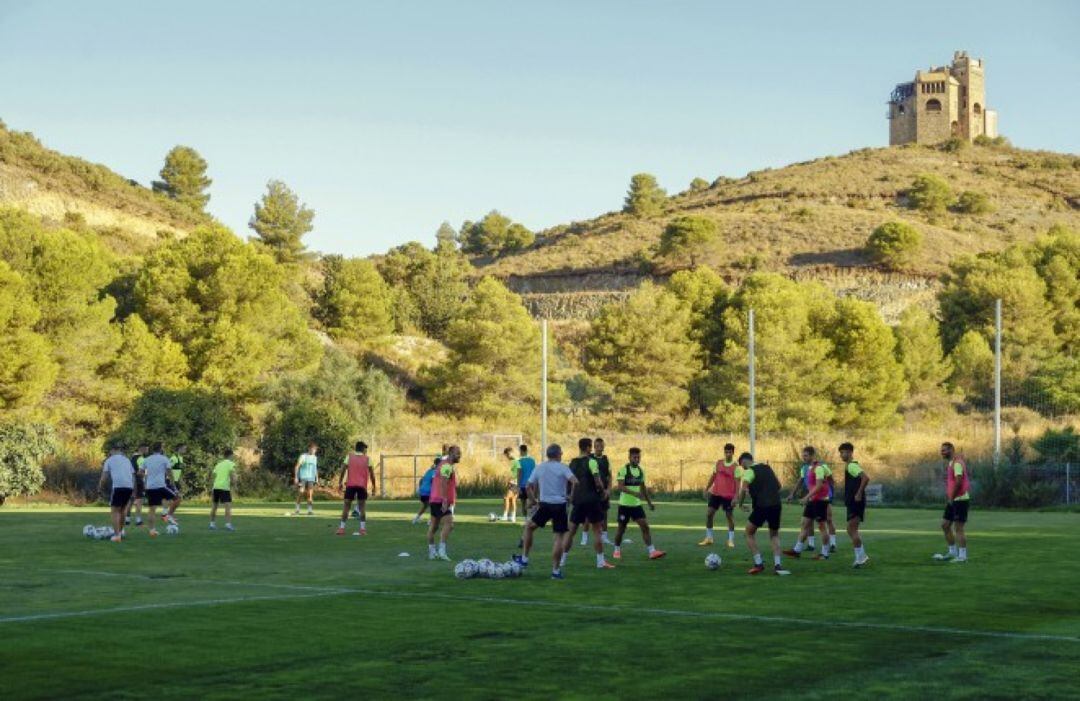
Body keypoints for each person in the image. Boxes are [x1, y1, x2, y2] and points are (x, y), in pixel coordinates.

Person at [515, 444, 578, 579]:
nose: (562, 455)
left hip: (544, 505)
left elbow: (528, 486)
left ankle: (525, 559)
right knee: (558, 538)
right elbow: (575, 482)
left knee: (529, 527)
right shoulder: (563, 467)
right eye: (561, 453)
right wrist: (571, 496)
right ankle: (555, 572)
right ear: (557, 454)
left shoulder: (540, 467)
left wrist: (533, 500)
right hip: (560, 506)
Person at [734, 453, 791, 576]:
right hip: (776, 505)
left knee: (748, 533)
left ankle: (759, 563)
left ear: (743, 461)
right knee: (774, 534)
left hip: (762, 506)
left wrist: (740, 504)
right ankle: (777, 565)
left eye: (742, 466)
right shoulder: (767, 467)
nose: (743, 468)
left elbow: (743, 489)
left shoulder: (749, 471)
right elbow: (779, 486)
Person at [563, 438, 615, 569]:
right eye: (590, 446)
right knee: (597, 530)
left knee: (571, 531)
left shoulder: (572, 463)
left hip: (578, 500)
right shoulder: (592, 462)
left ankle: (562, 559)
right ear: (587, 448)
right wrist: (604, 492)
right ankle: (600, 562)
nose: (591, 449)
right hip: (592, 499)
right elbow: (598, 481)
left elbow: (569, 481)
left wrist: (570, 496)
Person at [612, 448, 666, 561]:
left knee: (645, 526)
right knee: (621, 529)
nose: (637, 459)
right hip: (624, 505)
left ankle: (652, 551)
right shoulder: (624, 470)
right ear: (629, 457)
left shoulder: (641, 471)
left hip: (636, 506)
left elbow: (643, 489)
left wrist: (650, 503)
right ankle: (616, 550)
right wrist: (634, 493)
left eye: (638, 457)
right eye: (634, 457)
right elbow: (620, 487)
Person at [784, 447, 832, 560]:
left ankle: (825, 554)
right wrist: (792, 494)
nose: (803, 457)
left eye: (805, 455)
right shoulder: (808, 468)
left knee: (822, 527)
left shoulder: (819, 468)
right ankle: (797, 550)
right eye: (803, 455)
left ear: (812, 455)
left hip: (820, 501)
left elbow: (819, 485)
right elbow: (801, 481)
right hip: (812, 500)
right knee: (805, 524)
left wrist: (806, 497)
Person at [934, 442, 971, 563]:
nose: (942, 452)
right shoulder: (951, 463)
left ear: (952, 450)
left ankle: (962, 556)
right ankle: (952, 552)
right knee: (945, 525)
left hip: (960, 499)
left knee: (958, 528)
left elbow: (959, 481)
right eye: (942, 450)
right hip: (954, 499)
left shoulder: (957, 463)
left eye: (944, 450)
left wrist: (952, 496)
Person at [427, 445, 462, 561]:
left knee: (434, 527)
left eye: (460, 453)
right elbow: (443, 482)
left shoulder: (442, 464)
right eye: (457, 453)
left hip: (434, 499)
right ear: (451, 453)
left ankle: (432, 552)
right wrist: (445, 500)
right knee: (449, 524)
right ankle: (442, 551)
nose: (459, 455)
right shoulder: (447, 466)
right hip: (440, 500)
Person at [700, 443, 738, 548]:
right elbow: (713, 476)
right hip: (716, 493)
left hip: (728, 495)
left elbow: (737, 483)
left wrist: (736, 496)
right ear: (724, 452)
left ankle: (730, 540)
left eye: (730, 452)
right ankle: (709, 538)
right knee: (709, 514)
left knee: (729, 516)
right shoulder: (718, 463)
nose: (728, 454)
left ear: (733, 453)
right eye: (726, 452)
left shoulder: (735, 467)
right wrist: (707, 488)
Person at [838, 442, 870, 568]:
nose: (841, 455)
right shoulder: (849, 466)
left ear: (850, 453)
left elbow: (866, 478)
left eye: (843, 452)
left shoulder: (852, 466)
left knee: (852, 529)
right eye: (840, 453)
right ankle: (862, 555)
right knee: (850, 529)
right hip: (853, 502)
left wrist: (859, 493)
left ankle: (860, 558)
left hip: (856, 502)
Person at [580, 437, 614, 547]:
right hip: (592, 491)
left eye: (601, 445)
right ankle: (584, 537)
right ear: (594, 447)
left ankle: (605, 537)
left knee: (604, 515)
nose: (599, 448)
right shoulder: (589, 459)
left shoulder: (606, 459)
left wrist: (608, 490)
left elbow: (610, 476)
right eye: (597, 446)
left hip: (604, 492)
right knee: (587, 516)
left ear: (604, 446)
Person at [141, 443, 178, 537]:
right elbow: (169, 472)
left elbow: (140, 472)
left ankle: (152, 531)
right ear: (161, 449)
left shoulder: (147, 459)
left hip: (150, 487)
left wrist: (147, 477)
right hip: (161, 486)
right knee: (177, 498)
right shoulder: (164, 458)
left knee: (152, 510)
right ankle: (168, 515)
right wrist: (174, 486)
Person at [338, 442, 376, 536]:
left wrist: (340, 482)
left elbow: (343, 469)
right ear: (363, 449)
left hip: (350, 485)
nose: (366, 451)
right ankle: (362, 529)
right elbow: (372, 474)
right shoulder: (368, 459)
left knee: (346, 507)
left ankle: (342, 528)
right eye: (365, 449)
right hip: (362, 486)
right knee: (362, 508)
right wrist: (374, 486)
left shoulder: (349, 457)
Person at [98, 444, 134, 542]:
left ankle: (117, 535)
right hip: (129, 487)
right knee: (123, 510)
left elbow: (104, 476)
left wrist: (100, 487)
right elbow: (132, 474)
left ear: (112, 450)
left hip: (118, 486)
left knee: (115, 510)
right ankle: (121, 532)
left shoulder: (109, 460)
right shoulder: (127, 460)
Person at [209, 449, 237, 531]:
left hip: (216, 487)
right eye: (233, 455)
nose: (233, 457)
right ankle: (228, 525)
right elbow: (233, 475)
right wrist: (234, 485)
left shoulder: (218, 464)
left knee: (214, 506)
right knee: (228, 506)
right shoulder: (231, 464)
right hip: (224, 488)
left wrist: (213, 486)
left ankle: (212, 524)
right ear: (230, 455)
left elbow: (213, 476)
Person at [291, 442, 319, 516]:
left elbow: (315, 468)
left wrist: (317, 478)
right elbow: (297, 466)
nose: (314, 451)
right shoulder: (303, 456)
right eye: (313, 449)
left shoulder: (315, 458)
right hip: (303, 478)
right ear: (309, 449)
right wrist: (296, 477)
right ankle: (297, 510)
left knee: (310, 494)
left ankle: (310, 511)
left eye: (315, 450)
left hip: (311, 478)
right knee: (301, 493)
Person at [125, 444, 147, 526]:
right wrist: (145, 478)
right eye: (146, 448)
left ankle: (127, 520)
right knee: (139, 501)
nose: (147, 450)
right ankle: (138, 521)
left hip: (130, 481)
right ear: (142, 448)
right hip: (138, 481)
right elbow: (140, 472)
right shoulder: (141, 458)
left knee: (130, 501)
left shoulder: (132, 458)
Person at [412, 458, 438, 525]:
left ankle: (416, 519)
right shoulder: (435, 471)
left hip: (422, 491)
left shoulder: (429, 470)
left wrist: (420, 488)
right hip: (428, 492)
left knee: (425, 506)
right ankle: (430, 521)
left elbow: (421, 480)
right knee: (434, 506)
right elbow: (433, 480)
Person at [516, 445, 536, 519]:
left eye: (519, 451)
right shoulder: (532, 461)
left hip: (523, 485)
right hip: (531, 485)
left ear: (521, 451)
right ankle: (531, 518)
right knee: (532, 502)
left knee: (523, 503)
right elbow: (534, 472)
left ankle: (525, 519)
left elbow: (519, 474)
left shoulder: (519, 461)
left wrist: (518, 486)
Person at [501, 447, 519, 522]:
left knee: (506, 498)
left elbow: (518, 472)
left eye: (507, 455)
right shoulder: (515, 461)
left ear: (509, 453)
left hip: (513, 483)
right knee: (513, 500)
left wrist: (511, 479)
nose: (507, 457)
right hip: (516, 483)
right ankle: (513, 517)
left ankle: (505, 516)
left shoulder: (515, 461)